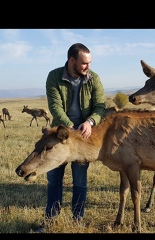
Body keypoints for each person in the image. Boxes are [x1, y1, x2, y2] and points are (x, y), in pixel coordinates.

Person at [35, 43, 106, 233]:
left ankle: (77, 222)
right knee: (54, 180)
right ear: (72, 60)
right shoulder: (54, 76)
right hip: (59, 137)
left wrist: (90, 122)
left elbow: (100, 106)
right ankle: (50, 222)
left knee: (80, 181)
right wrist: (70, 128)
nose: (88, 67)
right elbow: (55, 107)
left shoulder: (94, 78)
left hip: (83, 139)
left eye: (90, 63)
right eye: (84, 63)